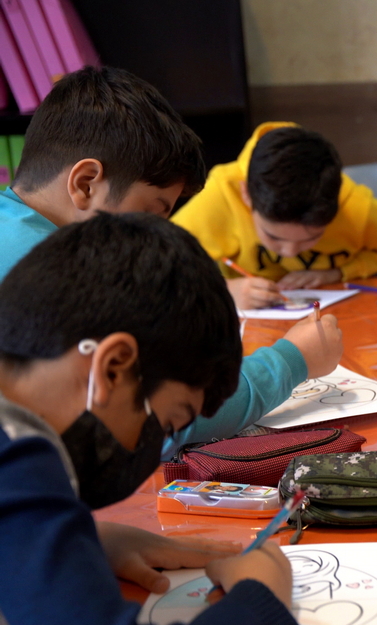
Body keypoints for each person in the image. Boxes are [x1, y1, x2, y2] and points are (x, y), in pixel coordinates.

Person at [0, 66, 343, 460]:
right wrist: (292, 360)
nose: (155, 233)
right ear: (85, 183)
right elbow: (159, 420)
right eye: (152, 211)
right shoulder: (54, 273)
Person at [0, 213, 302, 625]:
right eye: (167, 422)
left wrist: (79, 541)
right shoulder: (16, 462)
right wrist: (262, 605)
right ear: (113, 367)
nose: (155, 443)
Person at [172, 122, 377, 310]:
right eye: (273, 237)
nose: (290, 252)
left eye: (311, 238)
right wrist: (223, 292)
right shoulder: (224, 193)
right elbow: (161, 270)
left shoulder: (356, 207)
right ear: (246, 195)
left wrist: (337, 273)